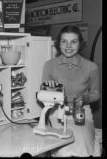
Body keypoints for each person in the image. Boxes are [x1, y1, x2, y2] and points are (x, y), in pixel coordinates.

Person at [41, 25, 100, 157]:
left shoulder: (91, 67)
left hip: (82, 113)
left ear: (80, 44)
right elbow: (42, 92)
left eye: (73, 42)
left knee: (84, 148)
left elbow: (96, 94)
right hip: (57, 113)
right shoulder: (49, 65)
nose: (68, 46)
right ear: (58, 44)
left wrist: (85, 99)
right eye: (64, 41)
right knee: (63, 150)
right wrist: (50, 91)